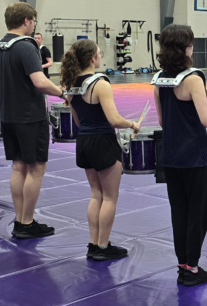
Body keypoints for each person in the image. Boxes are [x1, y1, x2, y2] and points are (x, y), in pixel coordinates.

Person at [153, 24, 207, 286]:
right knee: (197, 214)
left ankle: (182, 264)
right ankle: (193, 268)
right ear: (186, 47)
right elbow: (206, 120)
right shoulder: (193, 78)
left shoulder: (159, 79)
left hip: (170, 156)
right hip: (194, 156)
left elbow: (162, 120)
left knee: (179, 212)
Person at [60, 39, 140, 260]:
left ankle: (94, 243)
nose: (100, 57)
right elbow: (114, 120)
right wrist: (132, 124)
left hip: (84, 141)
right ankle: (103, 246)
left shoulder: (72, 84)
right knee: (110, 198)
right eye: (99, 53)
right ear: (93, 58)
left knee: (96, 195)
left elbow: (76, 120)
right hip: (102, 141)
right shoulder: (100, 83)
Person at [0, 2, 65, 238]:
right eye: (34, 21)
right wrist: (63, 93)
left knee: (18, 166)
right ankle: (26, 221)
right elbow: (40, 81)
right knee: (35, 168)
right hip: (29, 116)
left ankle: (20, 219)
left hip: (8, 114)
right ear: (26, 21)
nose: (34, 26)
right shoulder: (26, 46)